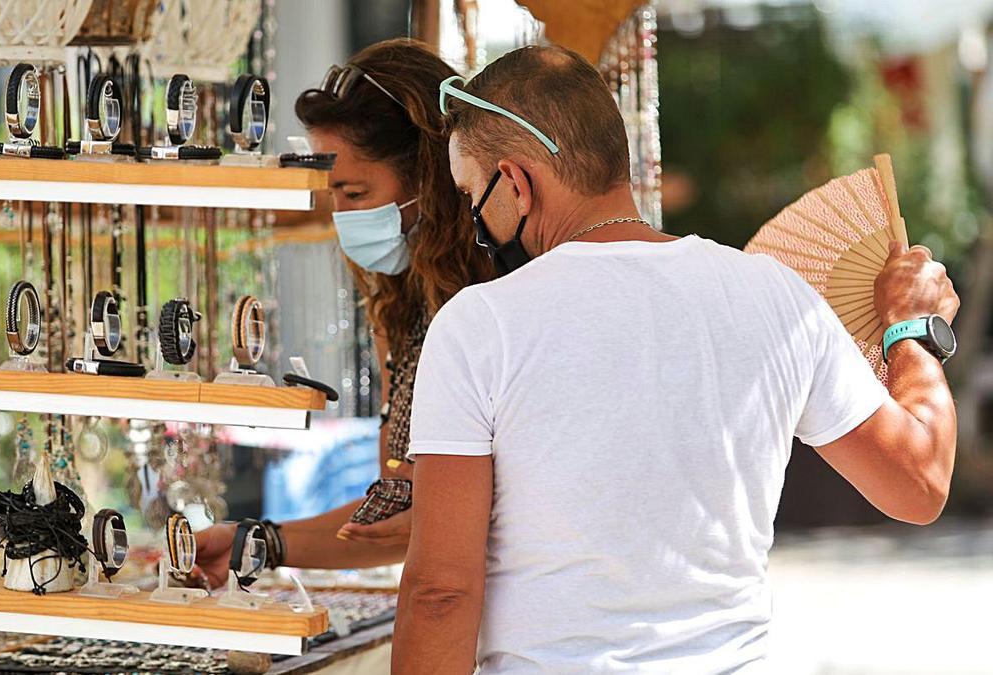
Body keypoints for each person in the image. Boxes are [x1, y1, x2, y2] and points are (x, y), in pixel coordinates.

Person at [393, 45, 960, 674]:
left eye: (475, 195)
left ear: (518, 183)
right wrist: (912, 330)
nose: (477, 223)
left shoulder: (480, 326)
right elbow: (919, 484)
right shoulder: (772, 295)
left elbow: (442, 592)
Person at [193, 39, 491, 585]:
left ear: (430, 176)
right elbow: (393, 520)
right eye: (333, 196)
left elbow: (445, 525)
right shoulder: (401, 310)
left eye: (354, 193)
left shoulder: (493, 306)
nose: (341, 217)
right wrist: (254, 542)